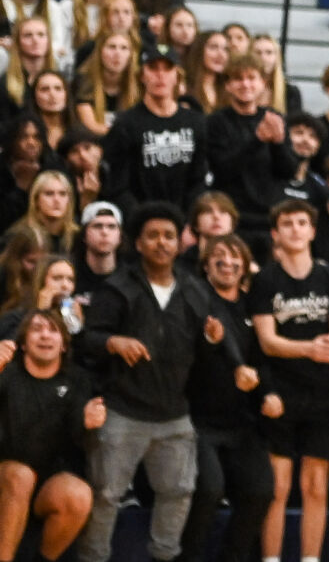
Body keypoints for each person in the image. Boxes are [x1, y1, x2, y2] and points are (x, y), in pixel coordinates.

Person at [77, 202, 236, 562]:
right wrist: (113, 342)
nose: (161, 242)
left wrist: (212, 340)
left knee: (178, 494)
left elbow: (207, 359)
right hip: (122, 411)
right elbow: (85, 339)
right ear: (137, 243)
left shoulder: (195, 290)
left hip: (175, 415)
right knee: (105, 495)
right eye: (152, 236)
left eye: (168, 235)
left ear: (180, 242)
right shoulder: (116, 287)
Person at [249, 200, 329, 562]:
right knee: (278, 487)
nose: (294, 228)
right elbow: (267, 342)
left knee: (317, 487)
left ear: (312, 230)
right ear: (275, 233)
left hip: (324, 393)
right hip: (281, 391)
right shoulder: (265, 279)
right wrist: (310, 347)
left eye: (301, 222)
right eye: (287, 223)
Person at [179, 234, 273, 562]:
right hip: (197, 420)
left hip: (240, 423)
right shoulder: (195, 299)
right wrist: (209, 340)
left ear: (245, 266)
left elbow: (262, 360)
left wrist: (267, 392)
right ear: (206, 265)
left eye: (235, 256)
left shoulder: (252, 305)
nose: (228, 262)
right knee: (209, 489)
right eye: (219, 255)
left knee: (261, 490)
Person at [0, 309, 104, 562]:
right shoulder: (6, 373)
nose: (45, 336)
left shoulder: (78, 380)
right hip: (5, 474)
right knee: (20, 475)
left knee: (78, 495)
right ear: (23, 344)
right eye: (36, 329)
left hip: (46, 480)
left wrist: (87, 424)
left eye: (53, 330)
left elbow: (77, 442)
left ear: (64, 346)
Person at [101, 43, 205, 214]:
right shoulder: (125, 124)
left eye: (167, 69)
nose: (160, 75)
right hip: (139, 220)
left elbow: (198, 180)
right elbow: (118, 185)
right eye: (153, 68)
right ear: (142, 75)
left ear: (177, 76)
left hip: (185, 220)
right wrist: (141, 220)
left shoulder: (196, 122)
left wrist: (190, 221)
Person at [204, 54, 296, 240]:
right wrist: (258, 140)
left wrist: (277, 142)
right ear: (228, 85)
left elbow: (289, 171)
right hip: (232, 219)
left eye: (251, 78)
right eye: (238, 79)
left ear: (263, 83)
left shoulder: (274, 118)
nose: (245, 85)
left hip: (270, 218)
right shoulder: (216, 122)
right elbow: (222, 169)